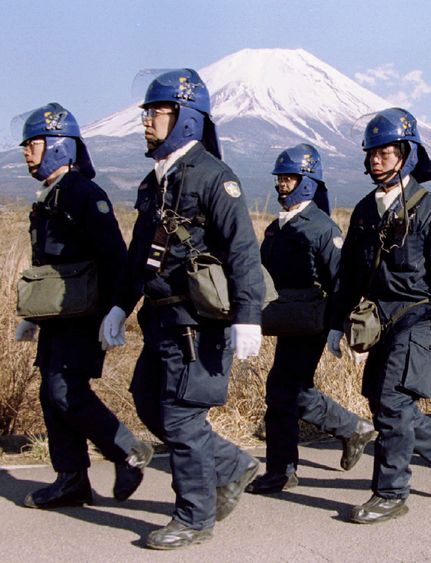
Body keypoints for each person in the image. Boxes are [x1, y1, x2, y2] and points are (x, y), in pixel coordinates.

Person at [100, 69, 264, 549]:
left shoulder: (215, 177)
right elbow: (139, 256)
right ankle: (232, 464)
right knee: (148, 401)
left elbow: (242, 252)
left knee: (180, 419)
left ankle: (195, 516)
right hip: (161, 318)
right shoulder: (158, 181)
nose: (146, 121)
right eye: (147, 113)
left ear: (185, 118)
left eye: (157, 112)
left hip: (198, 324)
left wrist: (248, 317)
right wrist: (118, 306)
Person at [327, 108, 431, 523]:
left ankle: (392, 492)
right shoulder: (364, 210)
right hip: (378, 321)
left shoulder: (430, 210)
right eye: (373, 152)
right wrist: (334, 322)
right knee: (381, 402)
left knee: (394, 404)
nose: (377, 159)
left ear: (407, 154)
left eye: (387, 151)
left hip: (417, 319)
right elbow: (350, 275)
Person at [14, 103, 152, 509]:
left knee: (63, 389)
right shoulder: (50, 197)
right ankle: (71, 479)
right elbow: (49, 267)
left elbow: (115, 259)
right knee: (50, 393)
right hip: (58, 316)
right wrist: (32, 318)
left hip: (85, 316)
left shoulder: (85, 194)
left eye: (34, 144)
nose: (26, 152)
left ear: (59, 146)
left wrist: (115, 313)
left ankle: (127, 449)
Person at [247, 144, 376, 494]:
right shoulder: (276, 227)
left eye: (290, 178)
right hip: (283, 318)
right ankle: (340, 435)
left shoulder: (323, 228)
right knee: (286, 392)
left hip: (311, 320)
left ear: (307, 181)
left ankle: (289, 465)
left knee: (283, 391)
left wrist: (344, 327)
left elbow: (341, 282)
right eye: (280, 178)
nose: (282, 185)